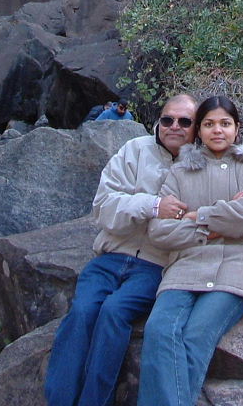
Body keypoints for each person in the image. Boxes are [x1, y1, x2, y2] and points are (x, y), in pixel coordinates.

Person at [44, 94, 198, 406]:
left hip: (156, 265)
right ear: (158, 121)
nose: (175, 126)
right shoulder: (135, 150)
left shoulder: (201, 166)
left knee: (114, 312)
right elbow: (103, 207)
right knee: (82, 311)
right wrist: (153, 206)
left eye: (185, 121)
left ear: (196, 128)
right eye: (168, 119)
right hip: (111, 255)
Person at [136, 95, 243, 406]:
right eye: (209, 124)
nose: (217, 130)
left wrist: (198, 215)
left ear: (237, 128)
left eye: (225, 123)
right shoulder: (180, 171)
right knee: (159, 330)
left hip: (238, 267)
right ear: (198, 131)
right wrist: (219, 224)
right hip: (186, 266)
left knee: (196, 335)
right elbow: (159, 231)